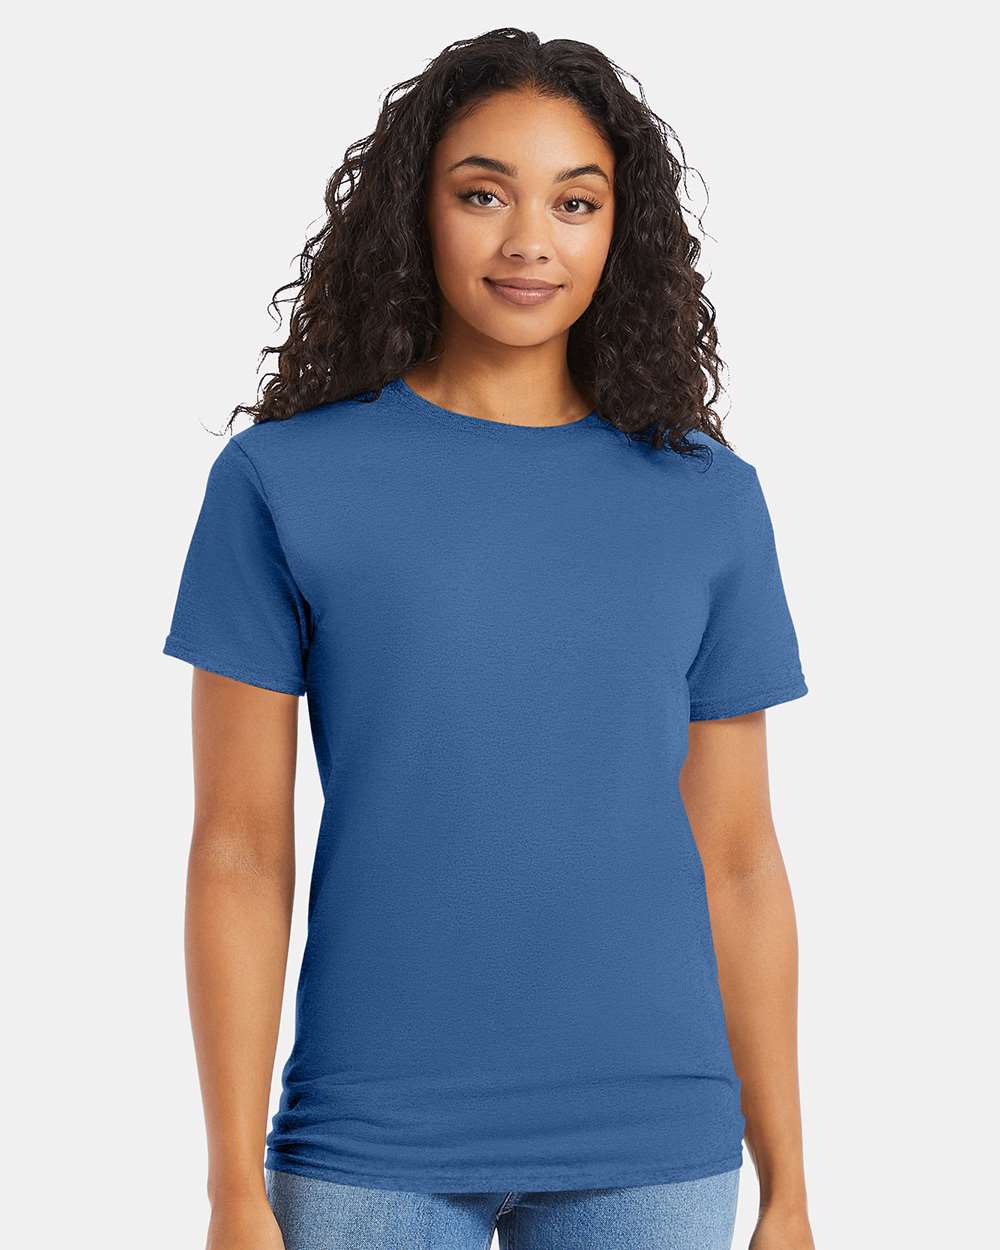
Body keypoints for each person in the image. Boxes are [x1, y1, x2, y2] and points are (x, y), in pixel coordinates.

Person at [163, 28, 816, 1250]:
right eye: (482, 194)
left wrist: (787, 1184)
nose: (529, 241)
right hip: (369, 1143)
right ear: (415, 211)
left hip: (653, 1143)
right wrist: (230, 1187)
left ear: (620, 231)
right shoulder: (284, 481)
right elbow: (240, 849)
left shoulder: (708, 498)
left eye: (575, 201)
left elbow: (737, 856)